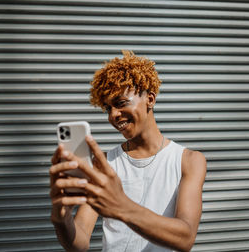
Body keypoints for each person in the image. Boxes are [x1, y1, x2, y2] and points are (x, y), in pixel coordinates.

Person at [49, 51, 207, 252]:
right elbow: (79, 244)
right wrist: (61, 219)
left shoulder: (189, 160)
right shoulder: (104, 164)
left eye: (121, 103)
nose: (113, 115)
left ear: (150, 99)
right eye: (108, 108)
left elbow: (185, 237)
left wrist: (120, 206)